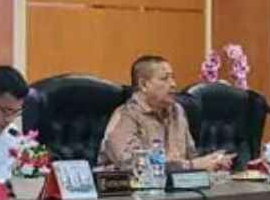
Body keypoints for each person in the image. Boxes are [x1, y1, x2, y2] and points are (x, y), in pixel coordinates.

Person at [98, 55, 234, 172]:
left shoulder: (177, 111)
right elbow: (132, 164)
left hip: (176, 189)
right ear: (144, 84)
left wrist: (212, 162)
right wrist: (193, 165)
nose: (173, 84)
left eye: (173, 78)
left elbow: (191, 156)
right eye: (165, 79)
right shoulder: (126, 116)